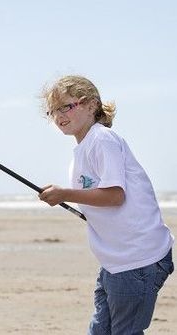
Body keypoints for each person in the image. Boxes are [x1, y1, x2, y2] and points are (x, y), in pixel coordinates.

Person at [39, 75, 174, 334]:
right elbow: (99, 200)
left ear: (91, 105)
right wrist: (65, 196)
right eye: (53, 110)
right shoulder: (82, 150)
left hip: (138, 259)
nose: (59, 115)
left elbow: (114, 196)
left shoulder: (102, 140)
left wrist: (64, 194)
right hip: (115, 262)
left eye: (66, 106)